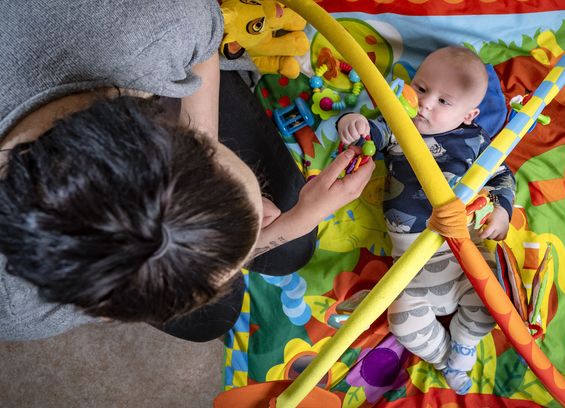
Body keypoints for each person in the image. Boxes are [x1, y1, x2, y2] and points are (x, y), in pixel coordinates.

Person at [0, 0, 375, 342]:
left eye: (208, 148)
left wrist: (209, 202)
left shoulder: (161, 21)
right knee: (219, 310)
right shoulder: (14, 307)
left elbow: (202, 51)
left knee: (287, 252)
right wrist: (286, 228)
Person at [336, 46, 515, 394]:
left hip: (465, 257)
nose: (425, 103)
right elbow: (370, 133)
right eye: (420, 88)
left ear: (469, 114)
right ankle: (444, 357)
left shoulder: (475, 140)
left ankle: (464, 348)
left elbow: (502, 177)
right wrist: (350, 123)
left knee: (492, 303)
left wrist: (503, 211)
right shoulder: (399, 126)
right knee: (402, 322)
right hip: (410, 266)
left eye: (444, 101)